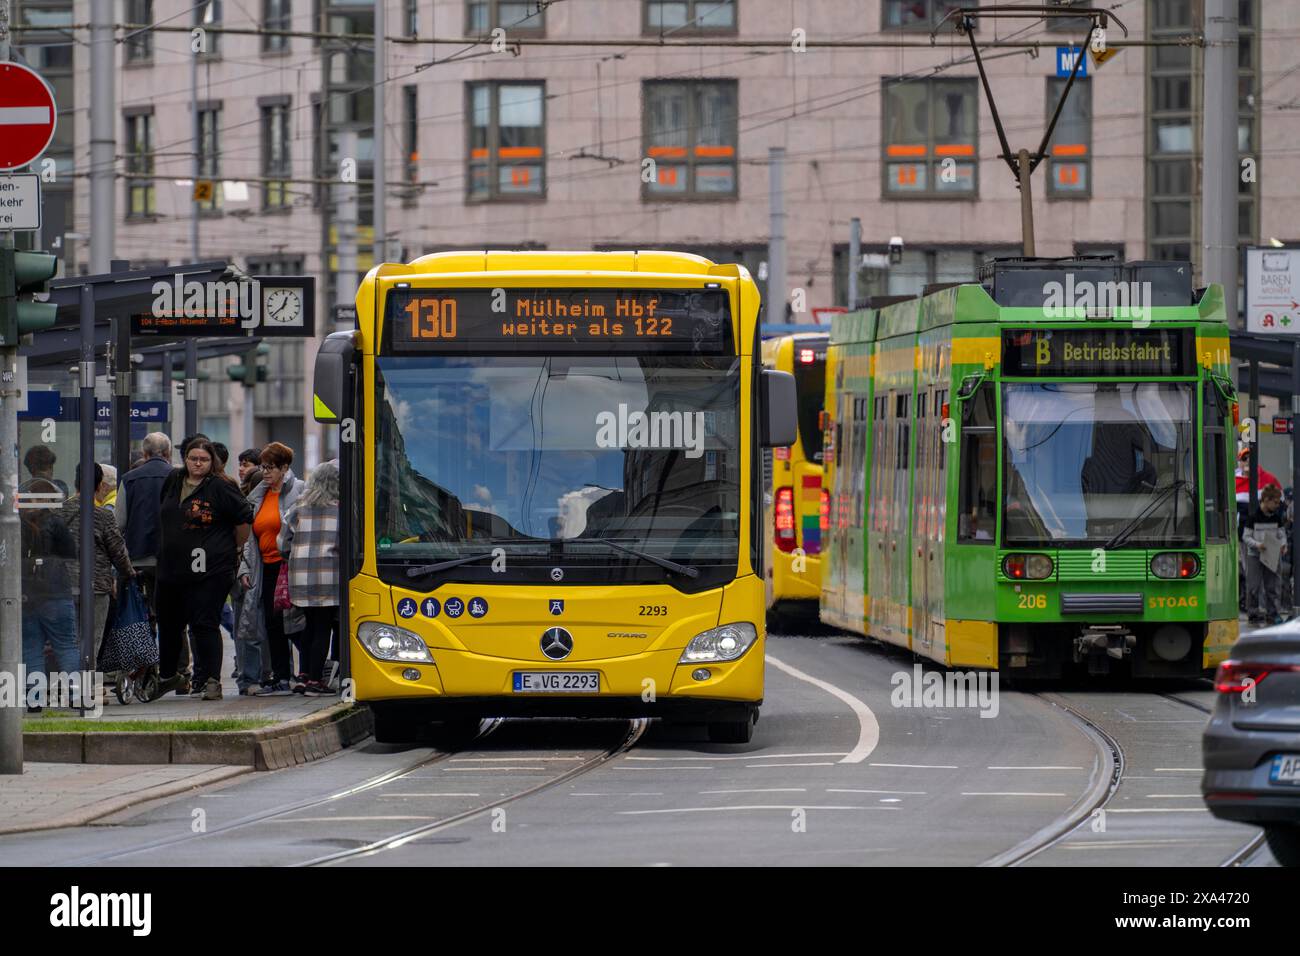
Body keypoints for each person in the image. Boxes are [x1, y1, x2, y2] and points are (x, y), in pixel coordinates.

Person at [155, 439, 252, 700]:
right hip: (172, 567)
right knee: (169, 622)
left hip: (210, 570)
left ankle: (211, 680)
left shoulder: (220, 486)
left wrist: (230, 548)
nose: (197, 463)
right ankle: (168, 675)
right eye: (193, 458)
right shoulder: (174, 480)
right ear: (185, 459)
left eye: (203, 459)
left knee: (204, 623)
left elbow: (244, 520)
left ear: (212, 462)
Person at [117, 432, 192, 688]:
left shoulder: (128, 479)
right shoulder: (180, 478)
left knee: (143, 615)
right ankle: (181, 673)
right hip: (172, 559)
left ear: (145, 453)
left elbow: (119, 523)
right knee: (174, 616)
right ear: (169, 453)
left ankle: (146, 671)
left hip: (138, 559)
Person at [61, 463, 136, 694]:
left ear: (75, 481)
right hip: (96, 586)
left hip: (63, 586)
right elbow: (118, 551)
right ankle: (85, 689)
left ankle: (70, 686)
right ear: (100, 485)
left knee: (69, 640)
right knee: (90, 640)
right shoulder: (102, 516)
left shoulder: (60, 511)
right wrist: (129, 574)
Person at [238, 441, 302, 695]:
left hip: (288, 566)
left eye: (271, 468)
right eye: (264, 467)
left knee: (294, 623)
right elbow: (249, 539)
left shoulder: (299, 490)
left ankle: (308, 672)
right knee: (271, 624)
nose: (265, 473)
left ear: (285, 467)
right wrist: (245, 567)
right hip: (264, 567)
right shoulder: (260, 495)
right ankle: (282, 677)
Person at [278, 460, 340, 696]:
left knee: (308, 625)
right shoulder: (341, 510)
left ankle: (303, 676)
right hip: (328, 576)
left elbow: (282, 543)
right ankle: (315, 680)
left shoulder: (298, 508)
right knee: (323, 626)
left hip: (300, 578)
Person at [21, 478, 77, 711]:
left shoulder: (17, 524)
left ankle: (34, 700)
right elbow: (71, 553)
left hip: (27, 595)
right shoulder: (56, 522)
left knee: (31, 648)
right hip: (56, 592)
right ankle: (77, 696)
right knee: (65, 645)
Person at [1242, 484, 1289, 627]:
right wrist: (1258, 545)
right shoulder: (1253, 518)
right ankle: (1253, 614)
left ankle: (1272, 613)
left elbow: (1281, 534)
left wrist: (1283, 544)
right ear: (1266, 500)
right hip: (1255, 556)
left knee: (1272, 586)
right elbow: (1246, 537)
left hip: (1272, 554)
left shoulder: (1276, 518)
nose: (1277, 505)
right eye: (1275, 502)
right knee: (1254, 586)